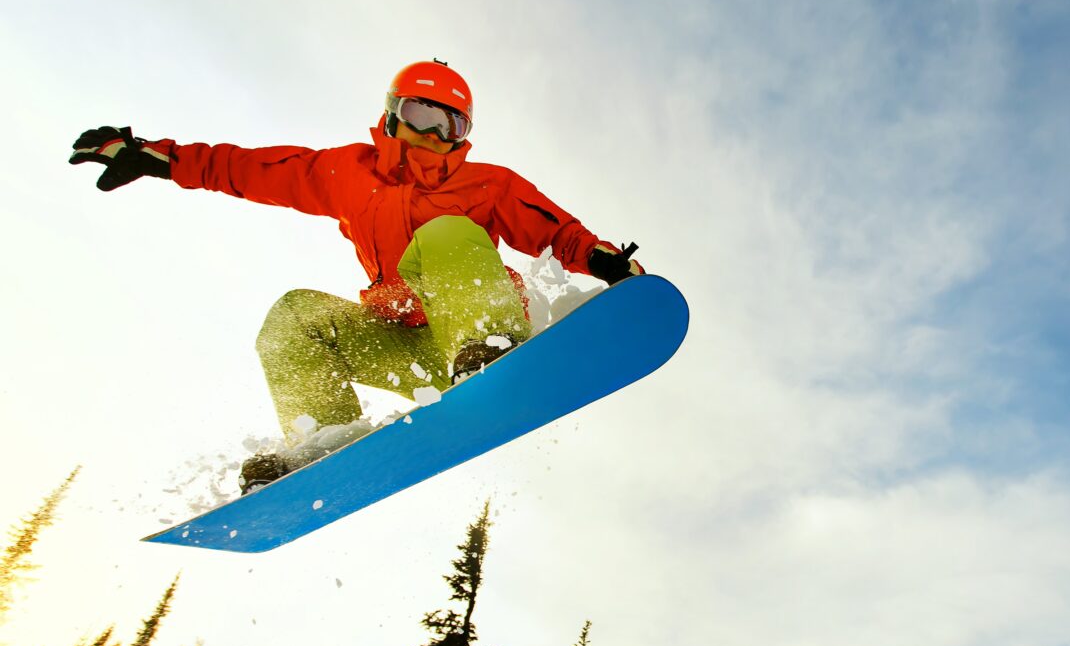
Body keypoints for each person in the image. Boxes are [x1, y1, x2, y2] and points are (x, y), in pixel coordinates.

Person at [70, 59, 644, 491]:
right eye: (423, 115)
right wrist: (158, 157)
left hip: (475, 325)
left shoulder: (488, 182)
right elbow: (256, 169)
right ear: (394, 113)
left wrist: (604, 260)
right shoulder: (348, 172)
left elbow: (554, 229)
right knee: (295, 313)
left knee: (445, 234)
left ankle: (492, 350)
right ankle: (324, 438)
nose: (436, 135)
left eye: (452, 124)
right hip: (409, 348)